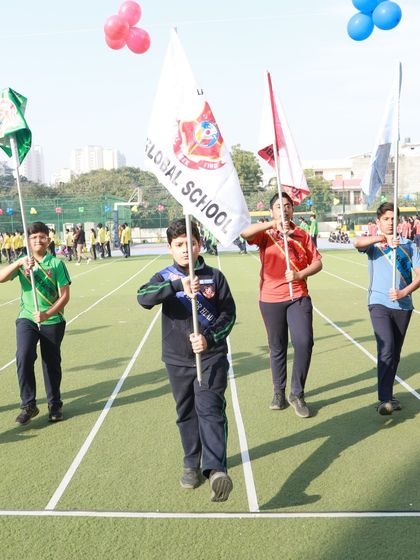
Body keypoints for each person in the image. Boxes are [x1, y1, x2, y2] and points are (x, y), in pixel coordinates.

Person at [137, 218, 235, 502]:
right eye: (178, 245)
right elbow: (143, 298)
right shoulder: (164, 277)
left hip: (211, 357)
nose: (184, 250)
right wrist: (178, 285)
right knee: (186, 413)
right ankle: (191, 462)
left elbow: (229, 316)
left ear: (199, 245)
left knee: (211, 409)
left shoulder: (215, 277)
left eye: (190, 243)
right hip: (177, 359)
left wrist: (209, 338)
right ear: (169, 248)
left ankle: (216, 469)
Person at [241, 192, 322, 418]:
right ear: (272, 211)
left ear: (292, 210)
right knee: (277, 347)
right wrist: (272, 224)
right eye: (279, 206)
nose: (284, 210)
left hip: (298, 295)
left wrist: (299, 274)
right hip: (270, 298)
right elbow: (244, 233)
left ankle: (297, 393)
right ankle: (278, 391)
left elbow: (317, 263)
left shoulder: (302, 234)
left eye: (287, 206)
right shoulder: (266, 234)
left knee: (304, 342)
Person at [0, 221, 71, 425]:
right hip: (27, 317)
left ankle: (54, 404)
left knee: (51, 362)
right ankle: (29, 405)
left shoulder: (56, 264)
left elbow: (65, 296)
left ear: (48, 240)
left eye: (41, 237)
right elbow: (1, 278)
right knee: (23, 356)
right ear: (28, 241)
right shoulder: (24, 262)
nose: (37, 240)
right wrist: (19, 263)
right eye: (33, 237)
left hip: (52, 320)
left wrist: (48, 314)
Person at [354, 202, 420, 415]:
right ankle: (384, 399)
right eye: (386, 219)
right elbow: (358, 242)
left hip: (403, 305)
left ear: (399, 221)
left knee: (395, 353)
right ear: (378, 221)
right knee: (387, 348)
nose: (390, 222)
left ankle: (389, 395)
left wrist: (404, 292)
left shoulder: (409, 245)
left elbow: (419, 276)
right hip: (379, 304)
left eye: (394, 218)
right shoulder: (374, 244)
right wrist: (382, 238)